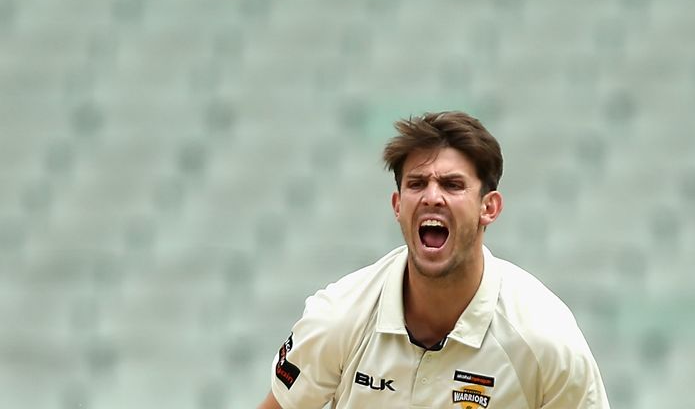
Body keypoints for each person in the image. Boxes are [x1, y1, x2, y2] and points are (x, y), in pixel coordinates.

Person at [257, 111, 610, 408]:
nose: (432, 197)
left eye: (452, 185)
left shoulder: (546, 339)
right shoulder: (339, 316)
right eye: (416, 183)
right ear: (397, 206)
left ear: (489, 207)